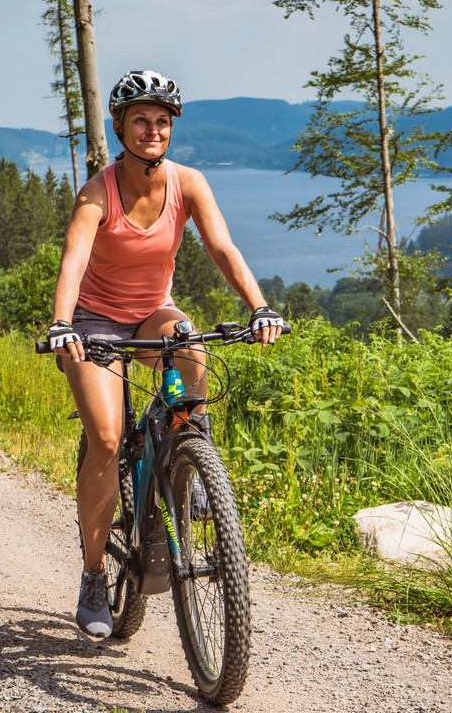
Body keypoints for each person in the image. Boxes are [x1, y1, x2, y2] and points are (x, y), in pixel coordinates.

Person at [47, 70, 284, 639]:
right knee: (105, 439)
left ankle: (189, 458)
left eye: (162, 121)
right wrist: (61, 322)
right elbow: (74, 260)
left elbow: (222, 247)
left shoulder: (189, 183)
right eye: (141, 121)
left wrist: (259, 305)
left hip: (153, 311)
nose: (153, 130)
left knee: (191, 342)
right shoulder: (97, 192)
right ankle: (94, 576)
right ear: (120, 127)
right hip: (94, 324)